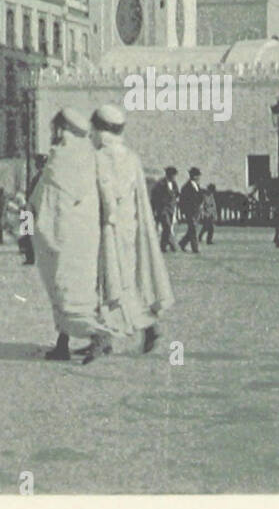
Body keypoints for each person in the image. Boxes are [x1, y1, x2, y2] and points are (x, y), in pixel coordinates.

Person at [91, 105, 175, 363]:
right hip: (130, 229)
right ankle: (148, 328)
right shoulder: (131, 158)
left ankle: (102, 338)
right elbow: (140, 197)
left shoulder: (97, 158)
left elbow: (101, 196)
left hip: (105, 229)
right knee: (126, 282)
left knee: (105, 283)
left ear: (99, 129)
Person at [31, 109, 104, 361]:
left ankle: (96, 336)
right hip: (84, 237)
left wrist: (33, 226)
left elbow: (44, 200)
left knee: (64, 290)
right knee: (73, 289)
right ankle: (64, 342)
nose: (55, 134)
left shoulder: (61, 159)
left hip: (63, 236)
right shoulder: (88, 157)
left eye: (57, 129)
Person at [150, 166, 180, 253]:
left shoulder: (174, 184)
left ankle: (166, 245)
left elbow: (177, 194)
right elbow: (154, 198)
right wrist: (155, 210)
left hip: (171, 209)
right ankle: (166, 246)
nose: (174, 177)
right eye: (173, 175)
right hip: (162, 209)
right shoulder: (160, 184)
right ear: (168, 175)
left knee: (168, 227)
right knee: (166, 227)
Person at [177, 167, 204, 253]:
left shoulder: (197, 185)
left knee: (192, 229)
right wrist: (184, 212)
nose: (199, 177)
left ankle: (182, 243)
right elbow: (183, 201)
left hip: (197, 211)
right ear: (194, 176)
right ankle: (195, 248)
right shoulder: (186, 187)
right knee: (193, 230)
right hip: (190, 211)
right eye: (198, 175)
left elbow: (200, 197)